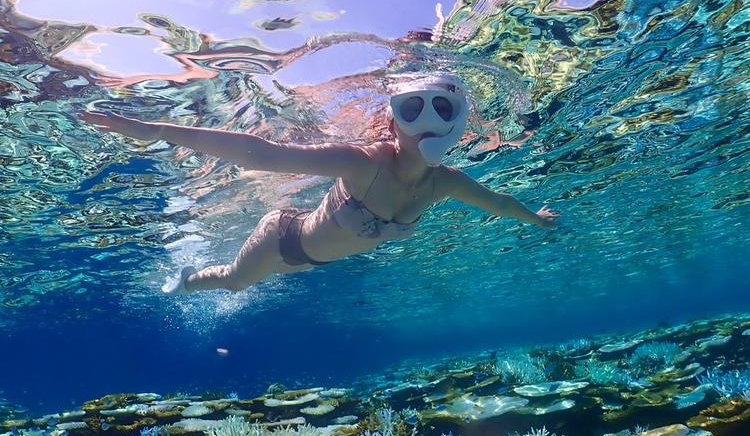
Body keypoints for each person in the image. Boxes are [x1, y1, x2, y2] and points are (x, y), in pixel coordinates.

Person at [80, 73, 560, 294]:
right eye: (411, 109)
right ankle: (186, 280)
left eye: (443, 110)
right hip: (282, 239)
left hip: (314, 262)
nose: (425, 123)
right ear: (392, 124)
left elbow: (496, 201)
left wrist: (534, 218)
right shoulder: (364, 162)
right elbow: (262, 153)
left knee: (256, 282)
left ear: (459, 122)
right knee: (235, 283)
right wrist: (156, 131)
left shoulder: (445, 184)